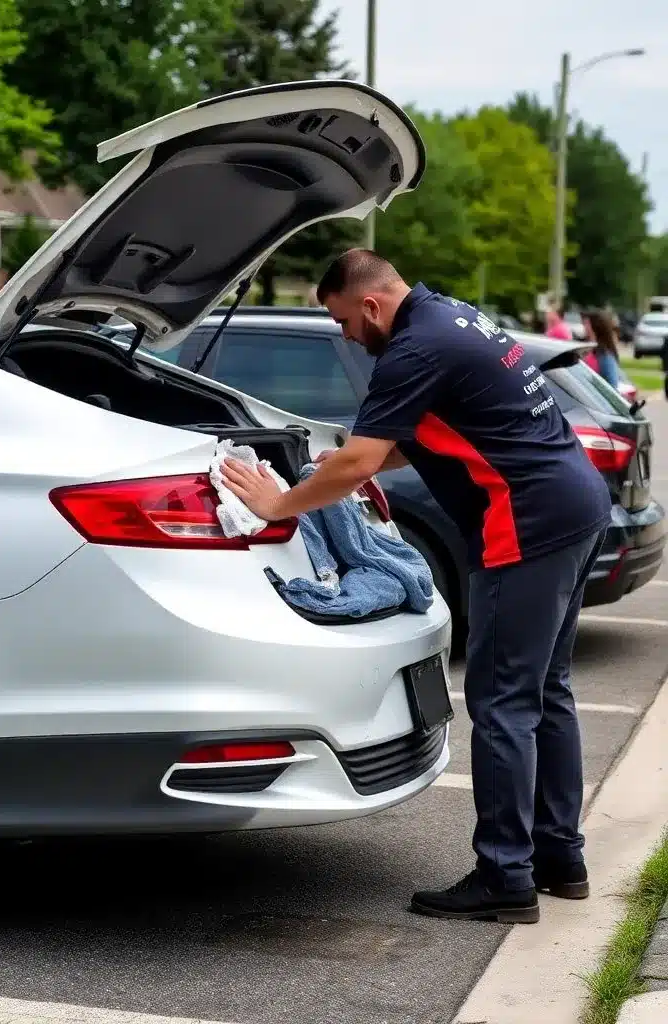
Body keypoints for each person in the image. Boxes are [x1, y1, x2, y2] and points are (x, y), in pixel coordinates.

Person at [221, 250, 611, 924]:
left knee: (502, 703)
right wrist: (357, 460)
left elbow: (364, 455)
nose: (346, 335)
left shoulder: (414, 347)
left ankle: (505, 877)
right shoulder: (449, 319)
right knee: (547, 693)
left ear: (370, 306)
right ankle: (559, 859)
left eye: (343, 321)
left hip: (527, 522)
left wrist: (278, 504)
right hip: (576, 508)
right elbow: (409, 435)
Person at [582, 310, 621, 388]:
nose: (583, 326)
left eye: (586, 323)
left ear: (595, 326)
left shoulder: (605, 356)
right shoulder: (588, 349)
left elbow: (612, 387)